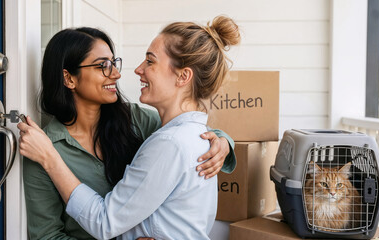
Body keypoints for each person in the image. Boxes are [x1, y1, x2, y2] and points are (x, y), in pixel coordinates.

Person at [21, 26, 236, 239]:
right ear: (69, 79)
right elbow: (47, 236)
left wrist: (223, 142)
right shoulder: (42, 149)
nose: (116, 73)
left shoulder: (136, 120)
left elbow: (184, 134)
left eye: (114, 63)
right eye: (103, 66)